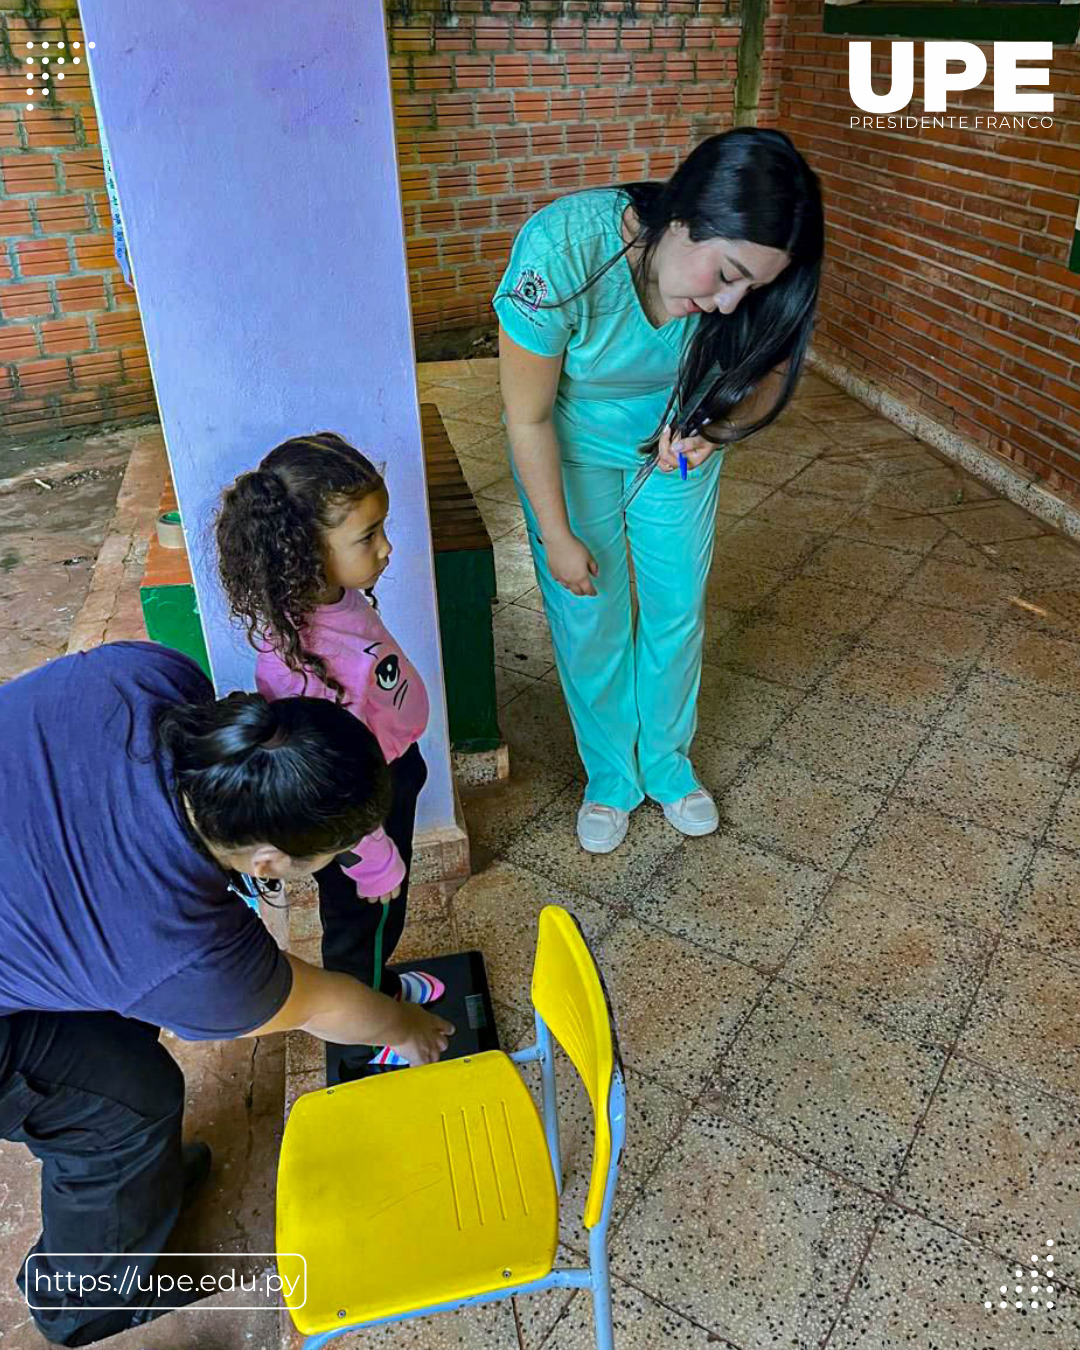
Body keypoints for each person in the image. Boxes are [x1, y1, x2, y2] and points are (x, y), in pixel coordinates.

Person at [0, 641, 453, 1345]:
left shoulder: (148, 678)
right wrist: (403, 1026)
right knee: (122, 1103)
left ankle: (136, 1187)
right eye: (336, 855)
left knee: (114, 1019)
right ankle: (81, 1308)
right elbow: (323, 1003)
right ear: (270, 862)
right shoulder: (189, 955)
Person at [494, 128, 824, 853]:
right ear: (682, 217)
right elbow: (527, 416)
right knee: (591, 612)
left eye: (753, 289)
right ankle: (611, 777)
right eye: (728, 273)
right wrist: (556, 538)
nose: (732, 304)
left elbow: (768, 369)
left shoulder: (738, 303)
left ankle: (668, 765)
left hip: (675, 453)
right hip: (569, 451)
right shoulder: (563, 252)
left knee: (675, 607)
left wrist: (720, 428)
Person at [216, 433, 438, 1083]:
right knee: (364, 921)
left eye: (381, 530)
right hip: (356, 812)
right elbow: (329, 792)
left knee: (384, 922)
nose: (386, 548)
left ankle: (380, 986)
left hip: (394, 769)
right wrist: (372, 860)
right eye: (367, 536)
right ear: (305, 551)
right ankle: (367, 1029)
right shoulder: (295, 665)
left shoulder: (338, 600)